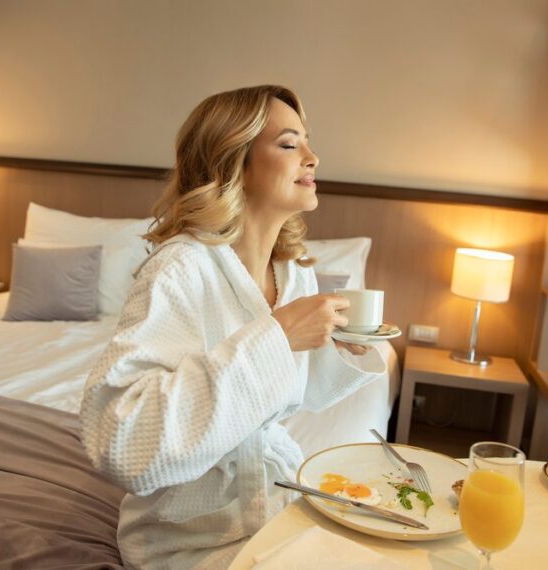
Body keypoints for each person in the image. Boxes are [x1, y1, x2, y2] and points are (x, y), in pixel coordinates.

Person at [80, 85, 386, 569]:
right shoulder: (179, 269)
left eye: (307, 142)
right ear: (233, 163)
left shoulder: (293, 271)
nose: (313, 157)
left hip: (276, 507)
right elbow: (124, 441)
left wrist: (342, 348)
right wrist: (277, 338)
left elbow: (292, 393)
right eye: (289, 144)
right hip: (189, 539)